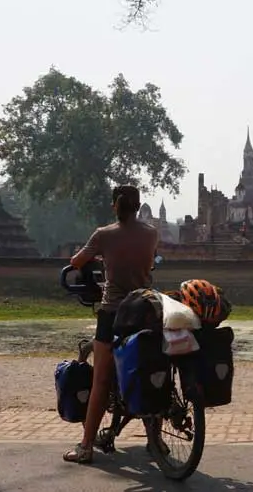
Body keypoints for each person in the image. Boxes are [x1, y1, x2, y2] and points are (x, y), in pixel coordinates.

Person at [63, 185, 159, 464]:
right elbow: (150, 262)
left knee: (101, 381)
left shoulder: (104, 234)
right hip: (145, 308)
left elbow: (77, 261)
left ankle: (85, 447)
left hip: (114, 313)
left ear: (114, 206)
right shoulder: (151, 233)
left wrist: (101, 256)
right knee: (148, 370)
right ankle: (156, 441)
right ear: (139, 206)